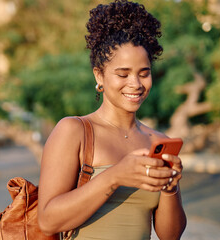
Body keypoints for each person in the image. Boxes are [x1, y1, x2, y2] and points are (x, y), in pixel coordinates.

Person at [37, 0, 187, 239]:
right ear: (99, 75)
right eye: (123, 73)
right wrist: (116, 176)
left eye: (144, 73)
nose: (135, 84)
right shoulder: (73, 131)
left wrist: (171, 188)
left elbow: (170, 235)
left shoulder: (157, 141)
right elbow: (47, 221)